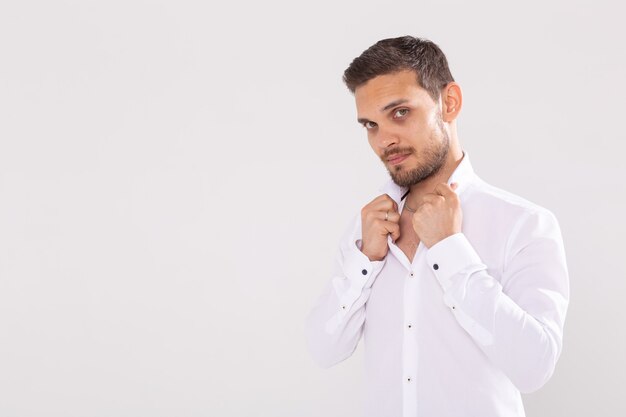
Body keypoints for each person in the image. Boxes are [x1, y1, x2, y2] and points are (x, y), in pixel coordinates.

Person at [304, 36, 570, 417]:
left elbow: (535, 366)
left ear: (449, 103)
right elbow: (323, 350)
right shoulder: (368, 231)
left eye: (399, 113)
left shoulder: (523, 224)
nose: (384, 140)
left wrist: (450, 250)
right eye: (370, 124)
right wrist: (364, 260)